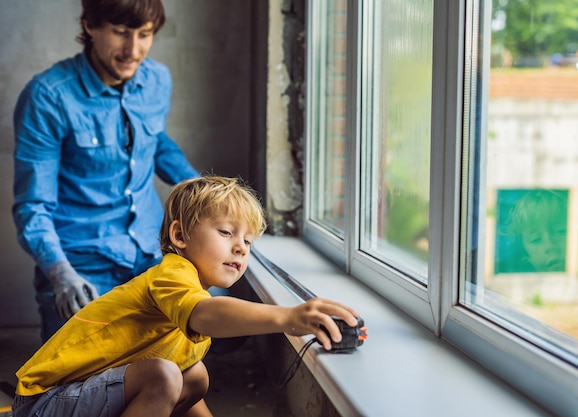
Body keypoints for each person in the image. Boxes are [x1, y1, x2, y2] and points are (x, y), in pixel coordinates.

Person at [11, 175, 360, 417]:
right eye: (226, 232)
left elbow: (191, 400)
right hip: (43, 403)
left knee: (194, 376)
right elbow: (207, 313)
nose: (240, 247)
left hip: (84, 398)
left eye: (248, 241)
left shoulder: (190, 310)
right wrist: (287, 317)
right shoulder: (172, 274)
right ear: (180, 235)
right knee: (162, 376)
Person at [12, 0, 199, 342]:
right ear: (90, 26)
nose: (133, 49)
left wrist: (199, 187)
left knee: (202, 337)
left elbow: (153, 142)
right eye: (120, 32)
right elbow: (32, 206)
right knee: (82, 387)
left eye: (144, 35)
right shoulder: (47, 95)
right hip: (81, 266)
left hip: (151, 256)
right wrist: (60, 273)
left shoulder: (158, 80)